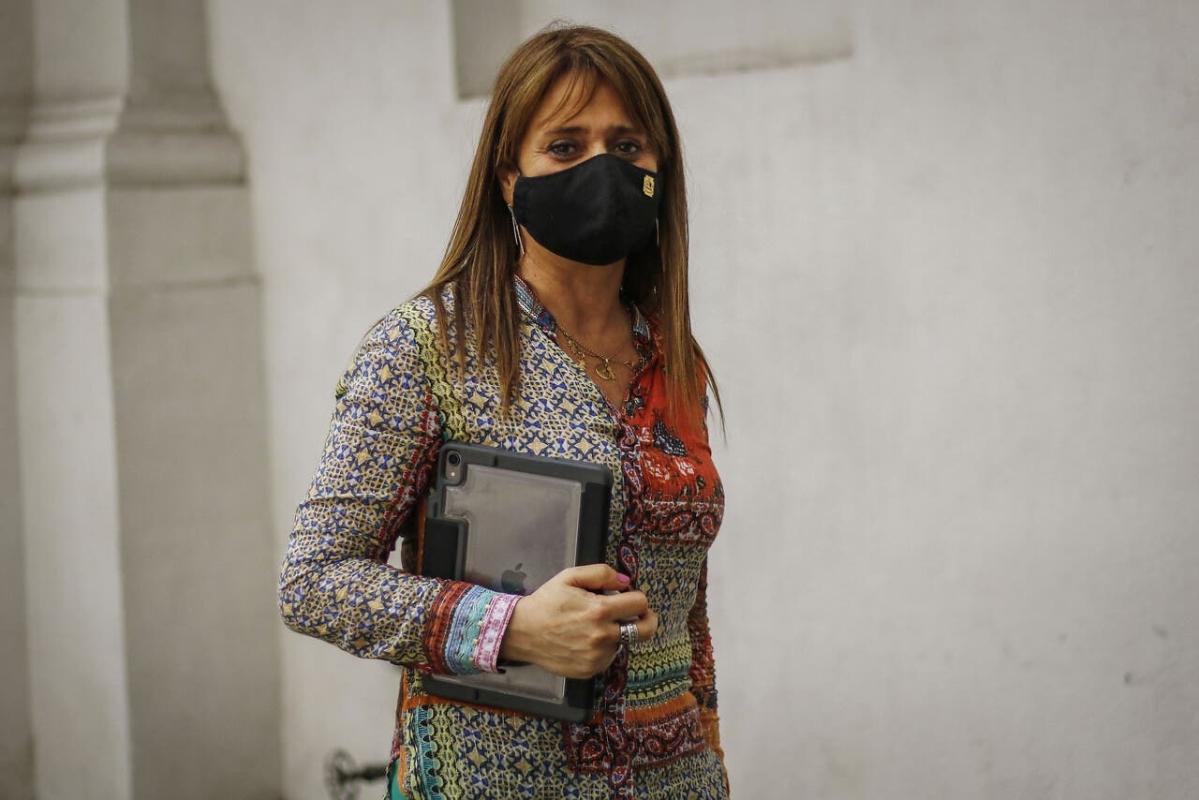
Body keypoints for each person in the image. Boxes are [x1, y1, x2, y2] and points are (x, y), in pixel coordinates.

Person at [278, 22, 729, 800]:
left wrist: (710, 762)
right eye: (565, 146)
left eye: (626, 146)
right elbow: (314, 581)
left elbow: (687, 615)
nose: (601, 168)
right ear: (508, 179)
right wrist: (510, 627)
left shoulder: (668, 355)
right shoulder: (425, 348)